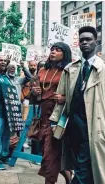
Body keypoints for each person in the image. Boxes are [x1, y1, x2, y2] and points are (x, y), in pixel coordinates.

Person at [49, 26, 105, 184]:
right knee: (83, 167)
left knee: (82, 168)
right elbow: (60, 97)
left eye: (88, 39)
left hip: (95, 127)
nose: (85, 42)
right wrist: (55, 121)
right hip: (73, 127)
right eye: (82, 40)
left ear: (96, 42)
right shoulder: (70, 69)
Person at [31, 42, 72, 184]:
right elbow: (35, 98)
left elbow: (78, 93)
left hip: (58, 116)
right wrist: (35, 93)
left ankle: (50, 181)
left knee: (50, 153)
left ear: (65, 53)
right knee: (48, 152)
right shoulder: (42, 71)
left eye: (58, 50)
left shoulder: (69, 71)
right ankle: (67, 175)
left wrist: (65, 98)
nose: (53, 52)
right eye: (52, 49)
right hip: (43, 115)